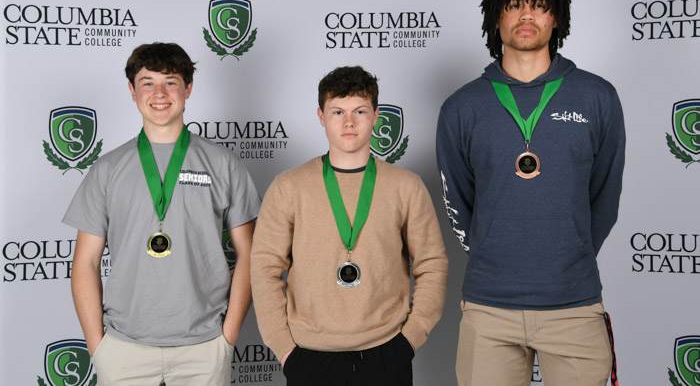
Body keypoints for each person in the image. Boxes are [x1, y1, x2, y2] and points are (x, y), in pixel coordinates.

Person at [436, 0, 625, 386]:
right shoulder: (462, 108)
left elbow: (605, 197)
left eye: (539, 5)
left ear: (555, 16)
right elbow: (458, 201)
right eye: (514, 4)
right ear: (496, 17)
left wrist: (567, 257)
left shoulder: (598, 97)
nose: (526, 15)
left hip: (574, 306)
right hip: (489, 308)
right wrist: (495, 253)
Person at [64, 42, 260, 385]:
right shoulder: (107, 169)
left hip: (204, 348)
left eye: (170, 81)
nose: (159, 93)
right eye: (147, 82)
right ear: (132, 90)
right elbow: (86, 262)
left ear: (188, 88)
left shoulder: (223, 164)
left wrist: (227, 337)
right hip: (124, 348)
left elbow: (250, 254)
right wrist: (98, 347)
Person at [251, 66, 448, 386]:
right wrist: (285, 349)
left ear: (376, 115)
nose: (348, 122)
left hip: (386, 352)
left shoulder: (406, 186)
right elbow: (264, 269)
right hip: (309, 356)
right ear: (320, 116)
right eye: (337, 111)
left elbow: (432, 264)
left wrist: (409, 339)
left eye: (359, 111)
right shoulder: (289, 187)